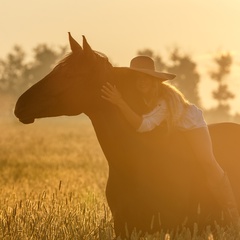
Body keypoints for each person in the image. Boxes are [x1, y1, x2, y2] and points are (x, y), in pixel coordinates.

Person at [101, 55, 239, 224]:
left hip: (191, 124)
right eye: (138, 78)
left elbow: (144, 124)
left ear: (153, 80)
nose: (141, 82)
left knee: (207, 161)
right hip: (170, 127)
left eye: (146, 78)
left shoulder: (165, 100)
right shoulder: (141, 95)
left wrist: (120, 102)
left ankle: (232, 212)